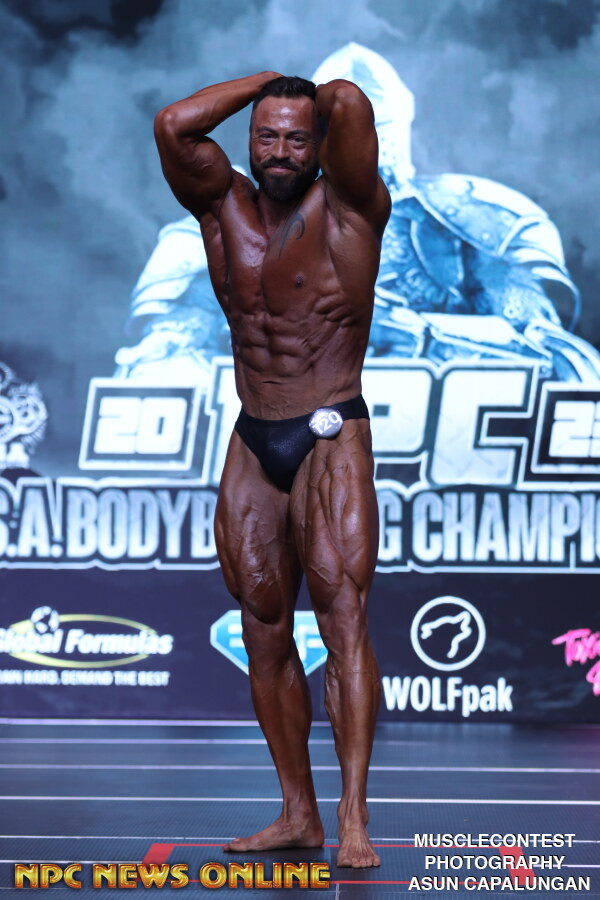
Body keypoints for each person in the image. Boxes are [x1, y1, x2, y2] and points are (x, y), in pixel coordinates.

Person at [154, 70, 390, 868]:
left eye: (296, 137)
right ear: (249, 141)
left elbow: (347, 98)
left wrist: (303, 92)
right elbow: (174, 125)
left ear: (319, 143)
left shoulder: (351, 206)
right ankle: (298, 813)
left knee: (343, 619)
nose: (281, 151)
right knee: (263, 628)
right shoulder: (221, 204)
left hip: (329, 433)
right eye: (267, 136)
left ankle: (352, 816)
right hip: (254, 437)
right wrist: (263, 82)